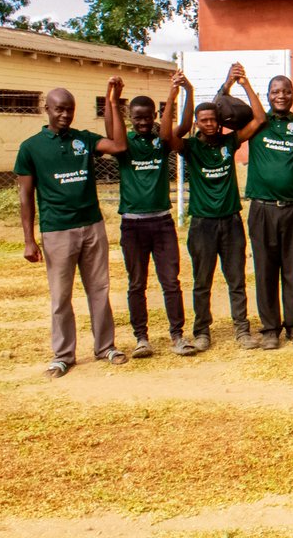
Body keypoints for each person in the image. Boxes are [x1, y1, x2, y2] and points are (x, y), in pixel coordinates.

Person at [15, 78, 130, 378]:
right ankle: (63, 355)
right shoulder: (30, 148)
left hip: (92, 226)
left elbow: (118, 145)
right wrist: (29, 240)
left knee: (99, 289)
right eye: (59, 110)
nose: (65, 115)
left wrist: (112, 99)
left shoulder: (84, 139)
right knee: (60, 296)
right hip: (57, 230)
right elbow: (26, 197)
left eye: (70, 110)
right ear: (47, 109)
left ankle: (106, 347)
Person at [165, 68, 266, 352]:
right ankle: (202, 331)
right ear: (196, 123)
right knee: (202, 281)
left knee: (236, 279)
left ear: (220, 122)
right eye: (204, 120)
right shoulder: (190, 147)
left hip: (231, 221)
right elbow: (167, 136)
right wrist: (181, 94)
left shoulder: (229, 142)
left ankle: (242, 330)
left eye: (213, 120)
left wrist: (243, 84)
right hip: (202, 224)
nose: (209, 124)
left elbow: (259, 119)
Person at [234, 62, 293, 349]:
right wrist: (243, 83)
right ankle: (270, 329)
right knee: (265, 269)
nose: (281, 95)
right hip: (262, 208)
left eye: (286, 91)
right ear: (268, 95)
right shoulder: (258, 123)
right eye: (275, 91)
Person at [113, 86, 194, 358]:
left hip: (161, 223)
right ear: (130, 118)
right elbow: (113, 129)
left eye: (148, 117)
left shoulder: (162, 143)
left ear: (155, 115)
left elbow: (181, 125)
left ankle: (177, 335)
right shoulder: (124, 144)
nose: (143, 122)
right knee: (137, 283)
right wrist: (112, 99)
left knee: (170, 281)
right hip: (133, 225)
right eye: (137, 117)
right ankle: (141, 338)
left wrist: (178, 95)